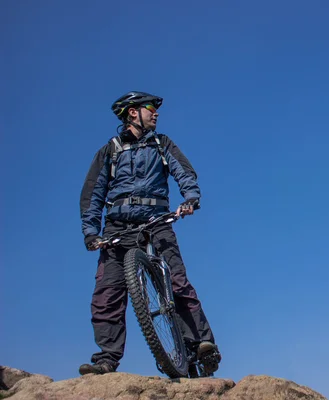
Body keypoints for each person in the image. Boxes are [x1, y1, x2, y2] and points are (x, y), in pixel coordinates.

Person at [78, 91, 220, 375]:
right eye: (150, 108)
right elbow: (92, 193)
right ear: (133, 113)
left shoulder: (161, 143)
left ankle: (200, 343)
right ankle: (107, 358)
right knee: (106, 294)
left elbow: (185, 172)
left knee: (177, 282)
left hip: (157, 221)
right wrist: (91, 232)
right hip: (117, 228)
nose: (155, 113)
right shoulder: (110, 150)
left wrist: (190, 198)